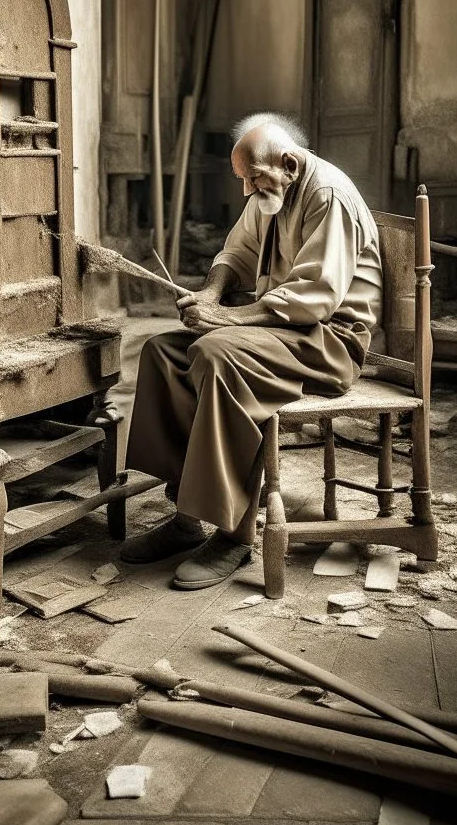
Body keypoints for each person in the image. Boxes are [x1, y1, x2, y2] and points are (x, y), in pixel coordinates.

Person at [121, 112, 382, 589]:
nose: (247, 190)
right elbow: (236, 254)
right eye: (242, 179)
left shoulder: (329, 195)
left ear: (289, 163)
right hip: (282, 331)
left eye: (254, 177)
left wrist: (229, 319)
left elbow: (314, 297)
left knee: (218, 354)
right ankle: (186, 515)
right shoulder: (269, 190)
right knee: (163, 351)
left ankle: (234, 534)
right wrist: (211, 295)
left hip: (329, 340)